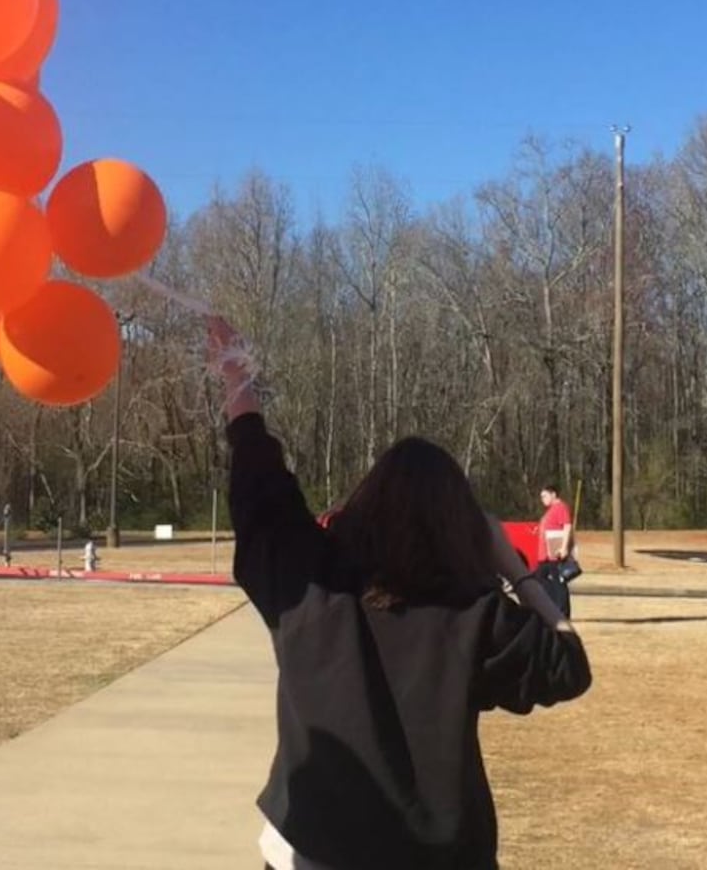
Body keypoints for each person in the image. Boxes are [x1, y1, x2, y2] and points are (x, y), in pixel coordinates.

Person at [210, 317, 591, 870]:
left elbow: (260, 489)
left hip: (312, 850)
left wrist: (237, 385)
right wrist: (516, 570)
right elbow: (570, 664)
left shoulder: (310, 585)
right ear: (460, 527)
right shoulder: (477, 617)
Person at [538, 484, 575, 562]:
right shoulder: (551, 509)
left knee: (551, 573)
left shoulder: (561, 507)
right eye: (541, 497)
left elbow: (567, 527)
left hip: (555, 555)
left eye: (545, 496)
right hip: (545, 555)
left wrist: (564, 548)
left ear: (553, 495)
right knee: (540, 574)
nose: (542, 499)